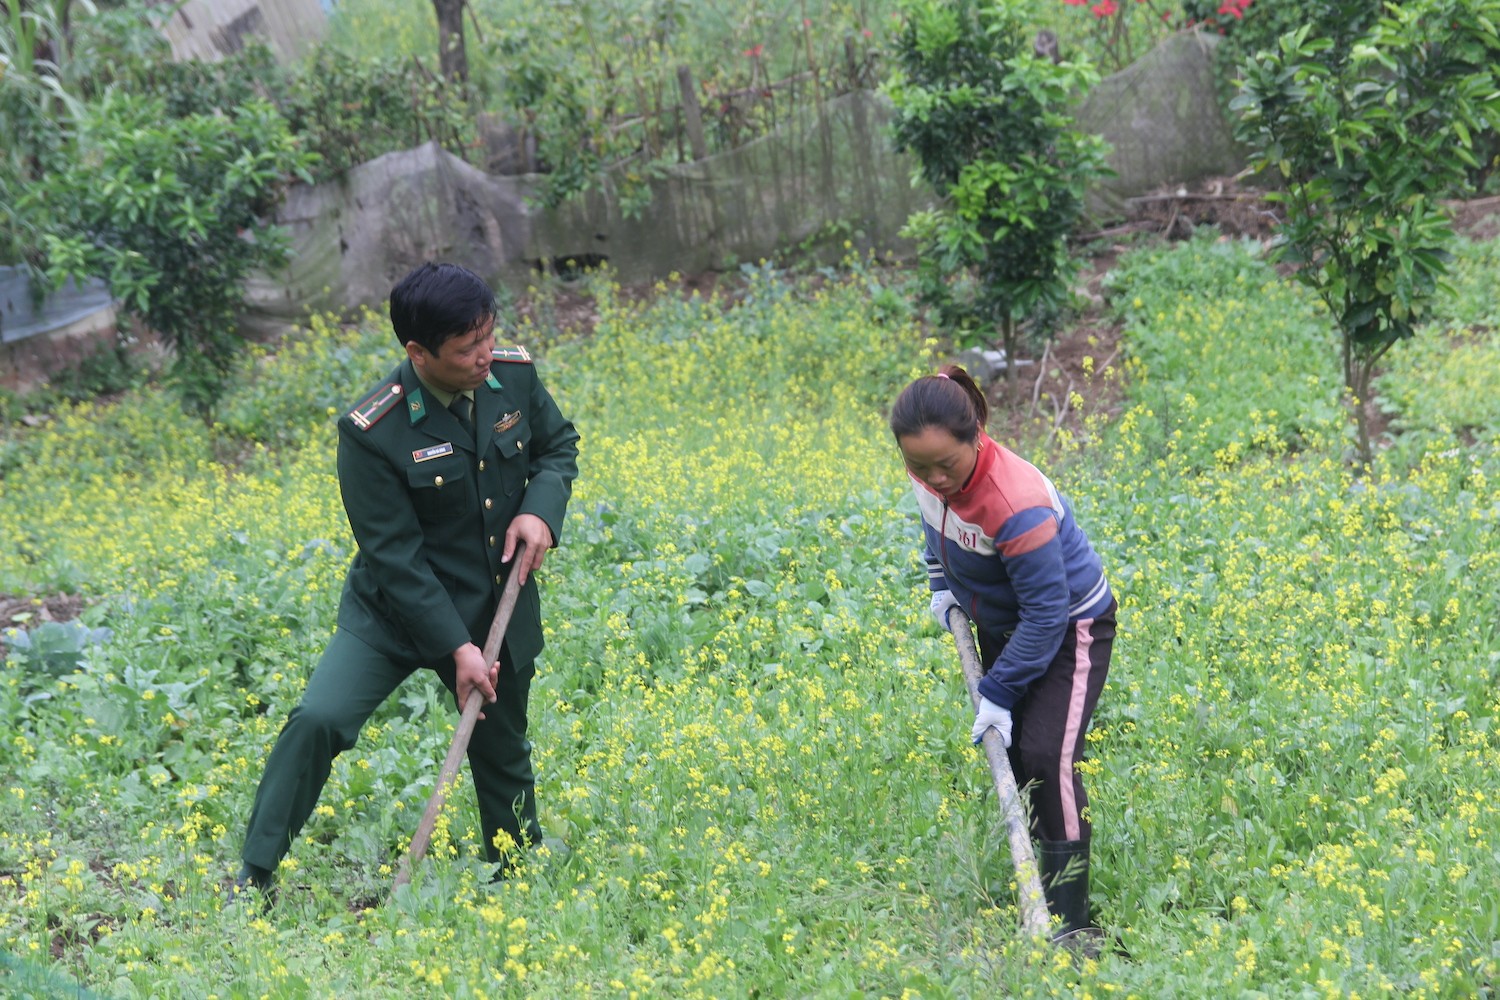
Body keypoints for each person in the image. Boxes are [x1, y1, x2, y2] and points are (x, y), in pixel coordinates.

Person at [232, 262, 580, 899]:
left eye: (487, 337)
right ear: (417, 352)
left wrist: (540, 510)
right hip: (393, 612)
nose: (484, 358)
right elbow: (395, 558)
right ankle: (254, 875)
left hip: (492, 601)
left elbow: (558, 447)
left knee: (501, 743)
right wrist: (456, 650)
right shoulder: (373, 432)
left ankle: (516, 865)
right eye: (466, 348)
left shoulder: (514, 377)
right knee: (319, 717)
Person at [890, 365, 1116, 946]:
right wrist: (942, 580)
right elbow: (933, 524)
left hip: (1069, 628)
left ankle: (1072, 920)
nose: (935, 478)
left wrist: (998, 690)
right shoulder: (927, 473)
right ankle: (1037, 878)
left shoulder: (1014, 502)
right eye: (920, 467)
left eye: (948, 464)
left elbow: (1047, 615)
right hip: (1006, 620)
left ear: (977, 438)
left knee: (1047, 754)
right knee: (1016, 755)